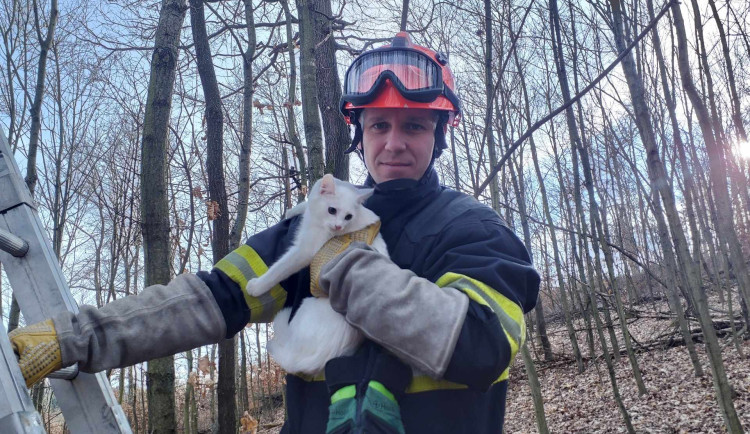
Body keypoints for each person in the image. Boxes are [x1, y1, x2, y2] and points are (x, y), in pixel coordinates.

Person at [10, 32, 540, 433]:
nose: (394, 143)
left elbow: (480, 343)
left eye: (414, 126)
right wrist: (72, 338)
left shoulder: (476, 230)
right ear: (360, 136)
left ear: (438, 136)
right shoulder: (313, 220)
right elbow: (208, 300)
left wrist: (344, 265)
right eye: (379, 125)